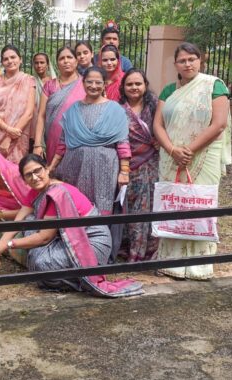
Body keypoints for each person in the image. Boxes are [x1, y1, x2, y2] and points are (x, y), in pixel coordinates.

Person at [0, 155, 144, 297]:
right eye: (29, 175)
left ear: (47, 169)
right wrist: (1, 243)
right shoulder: (35, 192)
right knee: (30, 225)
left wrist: (8, 244)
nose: (35, 177)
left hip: (91, 244)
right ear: (24, 179)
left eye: (38, 171)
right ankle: (73, 276)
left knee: (41, 265)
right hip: (67, 240)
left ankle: (82, 280)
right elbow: (19, 222)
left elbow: (44, 238)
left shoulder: (57, 192)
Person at [153, 42, 232, 280]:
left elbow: (219, 124)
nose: (187, 64)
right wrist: (173, 149)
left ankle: (199, 266)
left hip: (204, 154)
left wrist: (188, 150)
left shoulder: (214, 86)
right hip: (171, 156)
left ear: (200, 60)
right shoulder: (168, 90)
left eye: (192, 59)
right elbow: (158, 125)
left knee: (198, 204)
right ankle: (171, 263)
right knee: (174, 204)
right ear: (175, 64)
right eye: (182, 60)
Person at [47, 67, 131, 217]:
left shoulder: (115, 109)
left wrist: (124, 171)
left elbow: (122, 142)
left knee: (102, 206)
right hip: (74, 167)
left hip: (104, 167)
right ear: (83, 83)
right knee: (76, 206)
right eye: (89, 82)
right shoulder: (73, 110)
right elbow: (62, 144)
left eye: (98, 82)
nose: (93, 86)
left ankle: (99, 239)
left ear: (104, 84)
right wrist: (51, 168)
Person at [119, 69, 160, 261]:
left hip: (150, 164)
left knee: (146, 207)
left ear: (145, 86)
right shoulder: (118, 109)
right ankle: (128, 247)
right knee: (127, 206)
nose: (134, 88)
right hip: (126, 164)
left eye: (138, 84)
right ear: (123, 87)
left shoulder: (154, 107)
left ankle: (144, 250)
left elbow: (163, 129)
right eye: (129, 84)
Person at [0, 45, 36, 163]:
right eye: (6, 59)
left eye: (13, 57)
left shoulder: (29, 80)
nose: (10, 61)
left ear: (20, 59)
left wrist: (9, 137)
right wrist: (7, 129)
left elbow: (28, 113)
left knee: (15, 172)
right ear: (2, 62)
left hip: (18, 134)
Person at [33, 45, 84, 163]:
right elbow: (41, 116)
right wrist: (37, 144)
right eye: (62, 58)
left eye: (69, 57)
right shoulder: (49, 85)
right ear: (57, 63)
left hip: (79, 140)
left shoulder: (85, 84)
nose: (66, 61)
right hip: (53, 139)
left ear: (76, 61)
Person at [30, 52, 56, 149]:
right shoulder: (31, 81)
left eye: (42, 62)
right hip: (35, 120)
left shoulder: (54, 82)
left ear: (47, 64)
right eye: (36, 63)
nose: (39, 65)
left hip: (50, 119)